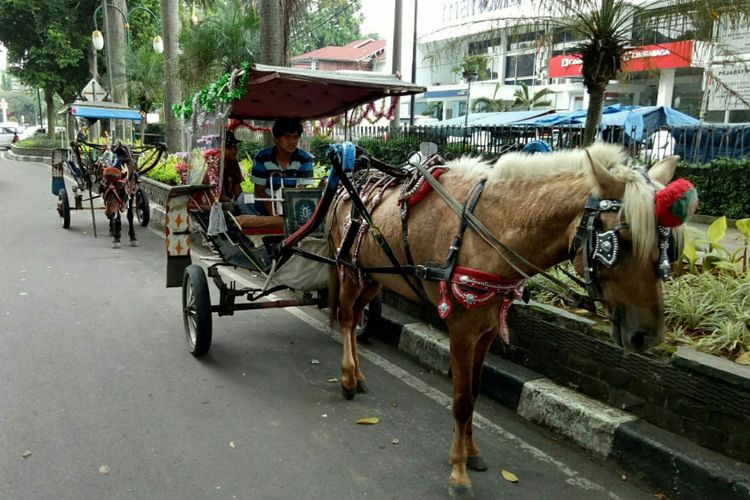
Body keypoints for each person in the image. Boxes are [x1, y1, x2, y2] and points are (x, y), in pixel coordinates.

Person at [238, 118, 314, 216]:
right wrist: (273, 212)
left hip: (291, 202)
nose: (292, 141)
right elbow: (259, 190)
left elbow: (301, 191)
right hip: (266, 201)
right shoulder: (262, 157)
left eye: (295, 137)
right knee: (243, 199)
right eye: (287, 137)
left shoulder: (305, 158)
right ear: (276, 139)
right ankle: (258, 225)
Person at [219, 130, 244, 203]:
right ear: (220, 148)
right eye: (229, 148)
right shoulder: (215, 164)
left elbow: (237, 189)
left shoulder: (233, 162)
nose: (234, 151)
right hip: (216, 202)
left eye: (235, 147)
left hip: (230, 201)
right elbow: (218, 194)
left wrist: (240, 201)